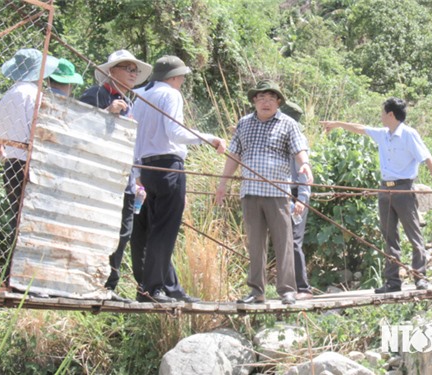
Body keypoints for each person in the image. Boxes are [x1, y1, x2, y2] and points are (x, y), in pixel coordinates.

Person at [321, 97, 432, 294]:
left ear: (390, 114)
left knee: (413, 235)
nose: (380, 116)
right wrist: (337, 124)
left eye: (382, 113)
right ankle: (392, 282)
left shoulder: (409, 135)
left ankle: (420, 277)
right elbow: (361, 128)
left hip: (404, 189)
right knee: (389, 237)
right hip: (384, 190)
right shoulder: (383, 134)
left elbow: (427, 158)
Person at [133, 55, 226, 303]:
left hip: (145, 168)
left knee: (154, 228)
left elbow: (133, 133)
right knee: (165, 230)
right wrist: (209, 139)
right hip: (168, 166)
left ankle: (169, 288)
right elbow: (174, 132)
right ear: (173, 77)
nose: (183, 80)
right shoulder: (171, 94)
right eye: (182, 76)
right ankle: (152, 289)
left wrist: (136, 171)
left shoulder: (140, 95)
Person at [216, 80, 313, 305]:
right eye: (261, 98)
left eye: (271, 98)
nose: (265, 102)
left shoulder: (288, 124)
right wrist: (223, 183)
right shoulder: (244, 124)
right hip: (250, 193)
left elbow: (299, 149)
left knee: (284, 242)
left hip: (277, 192)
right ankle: (256, 291)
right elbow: (234, 156)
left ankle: (287, 290)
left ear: (278, 102)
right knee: (255, 243)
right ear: (254, 101)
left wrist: (304, 165)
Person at [79, 50, 152, 301]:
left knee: (123, 234)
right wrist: (107, 111)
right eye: (127, 68)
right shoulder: (94, 95)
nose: (133, 73)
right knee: (98, 230)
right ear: (111, 71)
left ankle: (109, 287)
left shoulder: (129, 103)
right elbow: (78, 128)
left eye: (135, 70)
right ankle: (91, 284)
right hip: (103, 179)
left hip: (126, 179)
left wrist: (138, 177)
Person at [0, 48, 59, 241]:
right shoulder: (37, 96)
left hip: (13, 164)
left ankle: (11, 267)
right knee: (35, 222)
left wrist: (4, 157)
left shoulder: (11, 94)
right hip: (33, 163)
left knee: (17, 220)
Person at [281, 101, 313, 300]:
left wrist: (301, 199)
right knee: (284, 240)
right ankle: (289, 286)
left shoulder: (297, 139)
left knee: (294, 240)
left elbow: (304, 173)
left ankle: (303, 288)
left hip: (294, 194)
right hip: (280, 193)